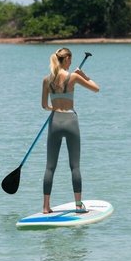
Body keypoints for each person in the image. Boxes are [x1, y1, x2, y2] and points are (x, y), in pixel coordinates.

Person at [40, 47, 100, 214]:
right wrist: (84, 75)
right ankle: (78, 205)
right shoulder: (73, 77)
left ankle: (45, 207)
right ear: (66, 59)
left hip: (55, 121)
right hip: (71, 121)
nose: (71, 63)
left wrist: (55, 108)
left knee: (50, 167)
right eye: (70, 60)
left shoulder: (46, 80)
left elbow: (44, 105)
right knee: (75, 166)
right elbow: (96, 88)